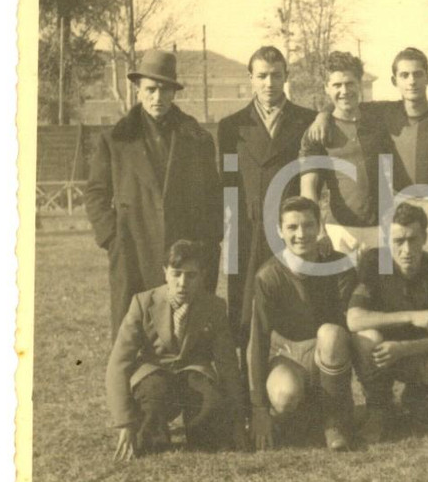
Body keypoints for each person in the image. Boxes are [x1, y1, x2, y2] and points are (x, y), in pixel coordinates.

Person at [86, 50, 222, 340]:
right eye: (150, 89)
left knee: (186, 331)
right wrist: (113, 238)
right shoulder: (116, 139)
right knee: (132, 329)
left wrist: (209, 241)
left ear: (174, 92)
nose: (157, 97)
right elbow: (96, 193)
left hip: (185, 248)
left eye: (164, 90)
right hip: (132, 247)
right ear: (138, 89)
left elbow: (214, 195)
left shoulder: (197, 139)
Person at [107, 240, 247, 460]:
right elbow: (118, 363)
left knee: (209, 415)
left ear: (202, 276)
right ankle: (152, 436)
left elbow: (227, 364)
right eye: (176, 274)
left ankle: (201, 434)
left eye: (191, 276)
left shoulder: (214, 306)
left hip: (193, 373)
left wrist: (237, 421)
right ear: (165, 272)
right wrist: (125, 422)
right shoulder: (142, 303)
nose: (182, 283)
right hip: (154, 374)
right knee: (154, 397)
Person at [218, 45, 318, 347]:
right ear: (250, 78)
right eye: (262, 76)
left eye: (276, 75)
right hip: (247, 231)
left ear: (286, 76)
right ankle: (247, 375)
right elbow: (229, 183)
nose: (269, 83)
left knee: (294, 305)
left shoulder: (308, 121)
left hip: (291, 230)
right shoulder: (231, 127)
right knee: (246, 312)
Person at [247, 196, 357, 451]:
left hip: (325, 351)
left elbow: (347, 327)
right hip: (287, 355)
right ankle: (302, 416)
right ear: (279, 230)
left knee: (330, 333)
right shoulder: (268, 275)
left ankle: (334, 421)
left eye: (308, 225)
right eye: (292, 227)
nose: (301, 234)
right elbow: (258, 339)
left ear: (319, 226)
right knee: (284, 395)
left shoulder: (338, 265)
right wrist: (259, 408)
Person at [346, 202, 428, 442]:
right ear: (387, 241)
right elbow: (354, 319)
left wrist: (404, 348)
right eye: (398, 241)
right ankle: (378, 407)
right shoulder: (373, 262)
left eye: (413, 240)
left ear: (425, 237)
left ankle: (416, 397)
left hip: (419, 352)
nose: (407, 250)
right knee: (366, 338)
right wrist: (410, 316)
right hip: (382, 352)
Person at [299, 51, 391, 257]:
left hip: (381, 228)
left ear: (360, 84)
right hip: (339, 231)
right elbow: (308, 187)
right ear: (326, 88)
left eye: (350, 83)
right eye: (337, 85)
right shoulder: (317, 132)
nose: (344, 91)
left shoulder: (379, 121)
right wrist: (319, 230)